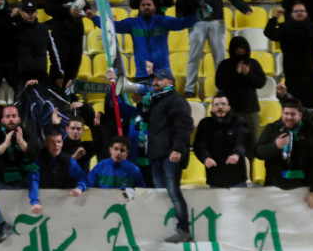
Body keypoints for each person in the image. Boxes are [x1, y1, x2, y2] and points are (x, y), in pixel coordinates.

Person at [176, 0, 253, 97]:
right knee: (193, 57)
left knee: (220, 58)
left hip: (217, 21)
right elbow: (181, 0)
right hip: (196, 22)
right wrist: (180, 20)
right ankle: (190, 89)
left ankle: (221, 88)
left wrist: (244, 8)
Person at [141, 69, 194, 242]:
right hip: (157, 154)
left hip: (170, 155)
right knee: (162, 193)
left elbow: (185, 126)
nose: (155, 82)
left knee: (174, 193)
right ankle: (165, 229)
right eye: (154, 79)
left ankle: (184, 230)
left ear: (170, 81)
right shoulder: (155, 101)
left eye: (159, 79)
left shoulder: (177, 100)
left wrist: (177, 149)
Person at [0, 105, 42, 243]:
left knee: (37, 183)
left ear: (19, 118)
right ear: (2, 120)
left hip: (21, 178)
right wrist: (4, 145)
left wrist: (22, 143)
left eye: (14, 116)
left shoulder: (27, 133)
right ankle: (0, 224)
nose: (11, 119)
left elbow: (34, 153)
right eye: (7, 116)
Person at [265, 4, 313, 110]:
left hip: (311, 77)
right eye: (296, 11)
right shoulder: (284, 28)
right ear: (291, 14)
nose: (299, 13)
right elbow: (269, 33)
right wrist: (275, 18)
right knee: (292, 109)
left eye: (302, 11)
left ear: (306, 13)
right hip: (292, 77)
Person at [256, 97, 313, 207]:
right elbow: (258, 152)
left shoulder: (309, 132)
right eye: (286, 113)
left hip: (302, 190)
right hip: (274, 188)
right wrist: (275, 146)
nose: (289, 117)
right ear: (282, 114)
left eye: (293, 114)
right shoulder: (272, 129)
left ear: (300, 115)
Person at [115, 0, 198, 81]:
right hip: (143, 73)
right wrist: (104, 18)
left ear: (154, 8)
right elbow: (113, 26)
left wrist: (197, 15)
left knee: (169, 90)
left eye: (149, 4)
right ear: (139, 8)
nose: (146, 7)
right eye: (143, 5)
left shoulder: (163, 21)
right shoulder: (132, 23)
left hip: (163, 72)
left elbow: (181, 23)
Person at [194, 94, 253, 187]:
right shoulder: (205, 124)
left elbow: (243, 140)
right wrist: (206, 158)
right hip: (215, 178)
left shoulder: (239, 121)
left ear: (229, 107)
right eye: (217, 104)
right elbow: (199, 145)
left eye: (223, 104)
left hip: (237, 178)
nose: (220, 107)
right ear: (212, 108)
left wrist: (236, 154)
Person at [215, 36, 268, 137]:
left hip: (250, 110)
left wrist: (248, 73)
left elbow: (260, 83)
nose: (240, 56)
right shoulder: (224, 65)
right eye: (238, 53)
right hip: (230, 110)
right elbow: (220, 84)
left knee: (252, 141)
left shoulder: (253, 63)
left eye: (243, 53)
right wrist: (236, 73)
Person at [46, 0, 95, 86]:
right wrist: (68, 11)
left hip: (77, 33)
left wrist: (88, 10)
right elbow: (49, 8)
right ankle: (54, 92)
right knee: (58, 67)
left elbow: (85, 5)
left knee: (74, 65)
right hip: (61, 33)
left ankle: (68, 91)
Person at [74, 135, 145, 196]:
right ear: (110, 150)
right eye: (116, 149)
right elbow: (88, 184)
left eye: (122, 150)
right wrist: (80, 188)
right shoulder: (100, 167)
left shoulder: (134, 170)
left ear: (127, 153)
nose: (118, 153)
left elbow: (141, 192)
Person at [12, 2, 58, 89]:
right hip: (22, 76)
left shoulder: (44, 29)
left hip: (41, 75)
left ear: (36, 13)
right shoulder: (16, 29)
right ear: (22, 13)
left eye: (32, 12)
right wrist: (12, 17)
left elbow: (53, 53)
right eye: (27, 12)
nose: (30, 15)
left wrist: (58, 74)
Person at [37, 126, 86, 190]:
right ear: (46, 143)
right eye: (52, 142)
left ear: (62, 143)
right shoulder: (38, 158)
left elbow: (82, 178)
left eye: (59, 142)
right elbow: (32, 179)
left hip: (65, 195)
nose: (56, 145)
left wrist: (79, 188)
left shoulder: (68, 160)